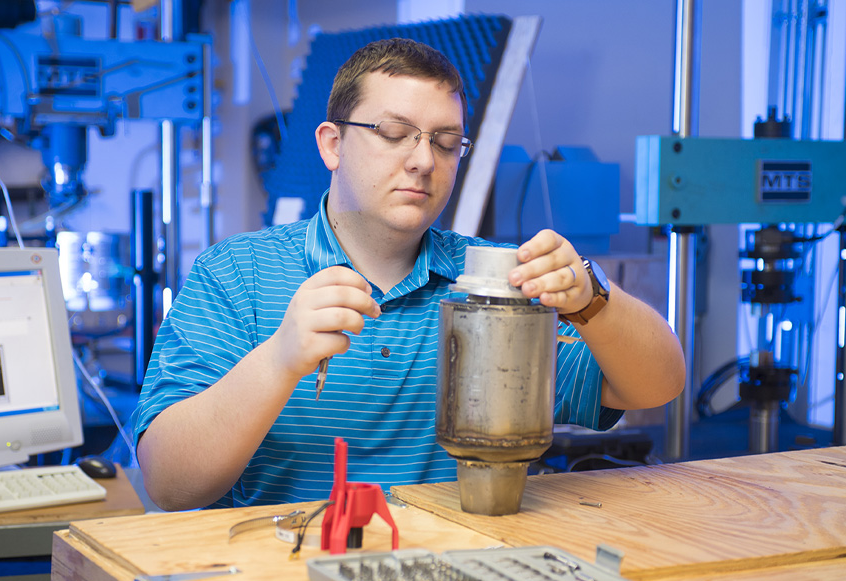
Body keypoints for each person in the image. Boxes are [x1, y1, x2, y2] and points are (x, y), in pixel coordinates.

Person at [132, 38, 685, 511]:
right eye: (395, 133)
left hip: (454, 571)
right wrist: (279, 359)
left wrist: (592, 299)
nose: (423, 161)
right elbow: (170, 483)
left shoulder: (492, 282)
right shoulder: (236, 274)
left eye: (446, 143)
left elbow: (656, 386)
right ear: (332, 144)